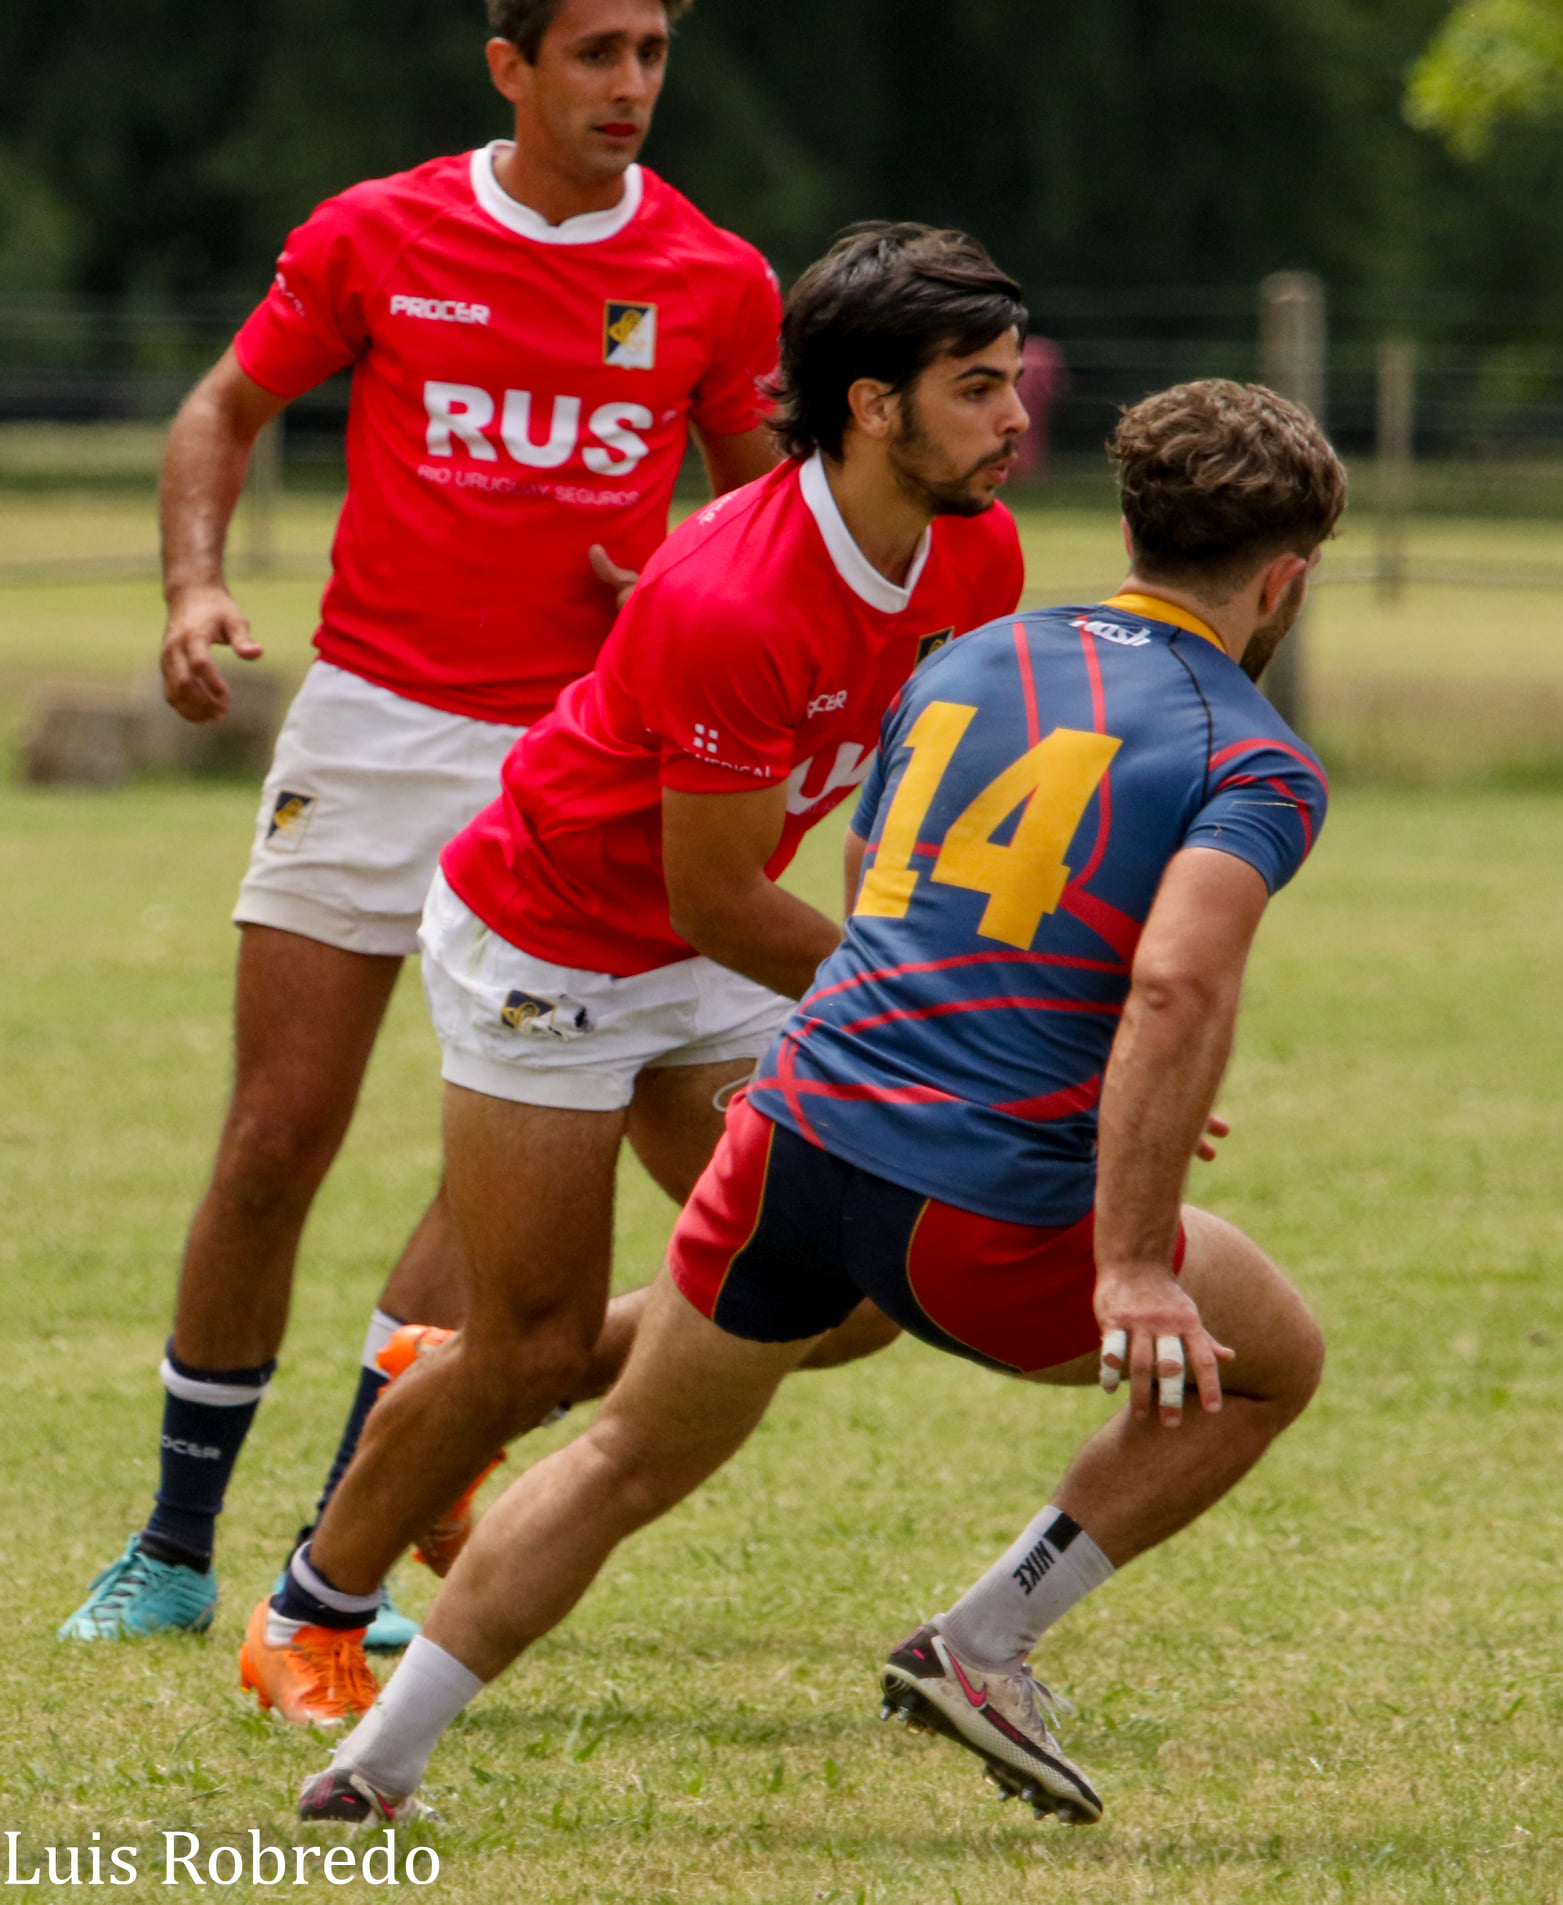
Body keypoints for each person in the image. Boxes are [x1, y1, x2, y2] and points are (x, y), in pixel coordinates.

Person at [289, 377, 1344, 1831]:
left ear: (1131, 522)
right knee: (1272, 1355)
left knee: (620, 1456)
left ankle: (374, 1763)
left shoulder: (968, 661)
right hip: (977, 1203)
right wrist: (1136, 1257)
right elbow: (1177, 987)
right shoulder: (1258, 755)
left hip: (792, 1132)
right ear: (1286, 575)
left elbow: (889, 901)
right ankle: (983, 1644)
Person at [60, 0, 787, 1649]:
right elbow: (219, 414)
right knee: (272, 1142)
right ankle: (172, 1545)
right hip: (374, 733)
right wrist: (192, 589)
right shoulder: (378, 231)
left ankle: (343, 1540)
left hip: (582, 767)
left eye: (653, 54)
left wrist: (675, 585)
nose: (630, 87)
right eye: (595, 53)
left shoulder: (714, 278)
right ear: (509, 68)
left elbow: (765, 516)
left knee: (504, 1164)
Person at [238, 219, 1031, 1729]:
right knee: (532, 1339)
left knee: (856, 1282)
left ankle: (447, 1390)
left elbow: (895, 805)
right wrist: (942, 1002)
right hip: (556, 946)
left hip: (716, 949)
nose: (1017, 417)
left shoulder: (976, 552)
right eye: (979, 387)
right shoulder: (734, 593)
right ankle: (306, 1613)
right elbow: (717, 894)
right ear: (872, 406)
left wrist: (954, 965)